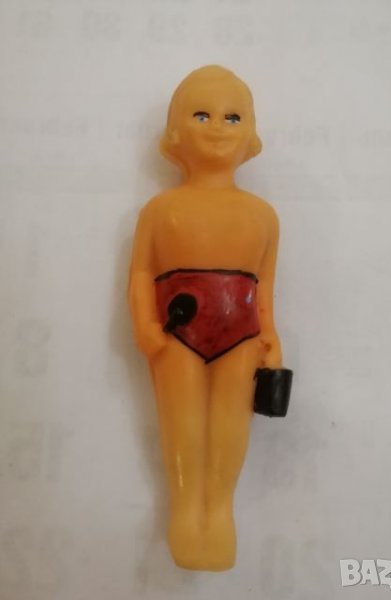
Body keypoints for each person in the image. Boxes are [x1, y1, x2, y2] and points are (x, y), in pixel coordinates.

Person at [128, 65, 283, 571]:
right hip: (177, 332)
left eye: (233, 117)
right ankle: (184, 510)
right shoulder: (160, 210)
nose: (218, 126)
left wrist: (271, 337)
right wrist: (145, 327)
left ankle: (219, 511)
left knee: (229, 424)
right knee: (182, 421)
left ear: (251, 134)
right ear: (175, 132)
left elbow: (264, 287)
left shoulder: (263, 216)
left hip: (243, 336)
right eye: (201, 115)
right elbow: (142, 272)